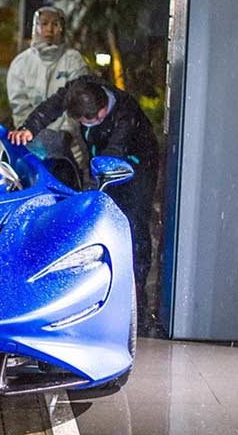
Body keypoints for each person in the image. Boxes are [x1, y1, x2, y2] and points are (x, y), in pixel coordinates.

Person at [8, 76, 159, 328]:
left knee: (133, 223)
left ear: (102, 112)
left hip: (137, 163)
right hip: (103, 159)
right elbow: (53, 105)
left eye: (87, 121)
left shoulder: (125, 115)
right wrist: (29, 128)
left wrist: (101, 178)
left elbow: (115, 151)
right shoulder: (80, 89)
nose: (82, 124)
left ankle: (137, 298)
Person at [6, 6, 89, 176]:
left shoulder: (73, 60)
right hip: (33, 145)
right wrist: (33, 134)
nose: (49, 29)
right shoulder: (21, 63)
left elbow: (77, 101)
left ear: (62, 28)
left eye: (55, 24)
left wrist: (65, 134)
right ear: (35, 27)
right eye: (43, 24)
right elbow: (19, 107)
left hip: (71, 146)